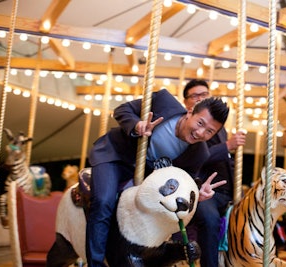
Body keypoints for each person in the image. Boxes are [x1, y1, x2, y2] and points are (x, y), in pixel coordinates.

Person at [86, 88, 230, 267]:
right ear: (190, 112)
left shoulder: (199, 153)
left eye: (210, 132)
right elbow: (122, 110)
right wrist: (137, 125)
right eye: (200, 123)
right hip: (116, 156)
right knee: (103, 201)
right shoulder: (164, 101)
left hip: (145, 180)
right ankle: (95, 263)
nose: (201, 133)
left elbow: (185, 180)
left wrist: (197, 193)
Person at [182, 79, 247, 267]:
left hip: (225, 190)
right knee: (210, 222)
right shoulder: (188, 126)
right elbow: (198, 157)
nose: (201, 98)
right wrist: (228, 146)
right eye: (195, 96)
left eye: (204, 95)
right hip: (203, 190)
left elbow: (225, 160)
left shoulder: (219, 128)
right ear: (187, 103)